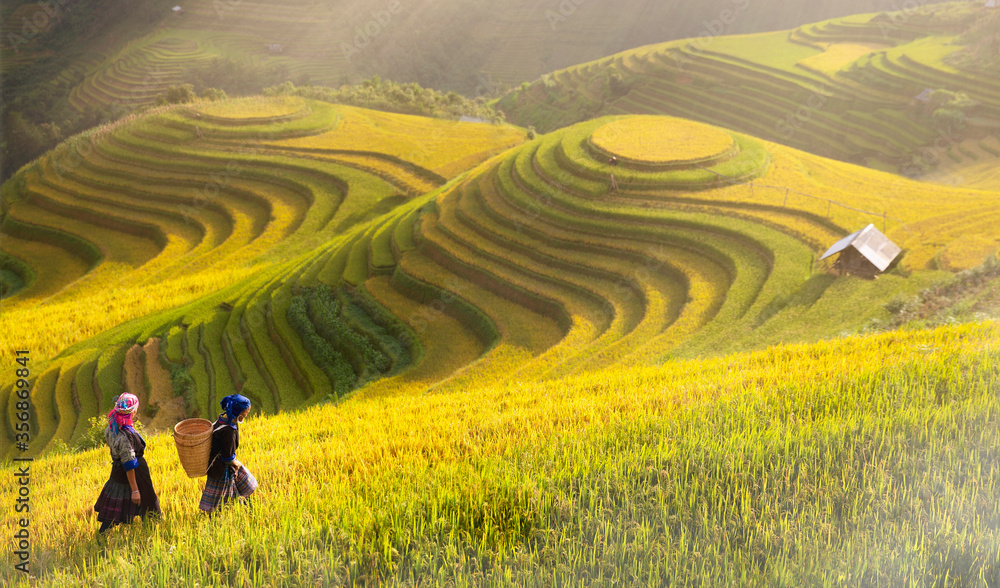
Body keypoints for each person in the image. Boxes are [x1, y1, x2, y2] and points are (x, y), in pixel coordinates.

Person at [94, 393, 161, 533]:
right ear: (134, 411)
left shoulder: (112, 427)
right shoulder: (124, 435)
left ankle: (150, 531)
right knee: (146, 501)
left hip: (119, 471)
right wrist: (135, 490)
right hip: (134, 472)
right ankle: (152, 531)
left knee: (117, 502)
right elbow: (129, 463)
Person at [200, 394, 258, 513]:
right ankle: (217, 515)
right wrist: (236, 463)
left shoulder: (221, 420)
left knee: (236, 489)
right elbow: (227, 457)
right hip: (221, 468)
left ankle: (248, 509)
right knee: (220, 497)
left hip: (215, 465)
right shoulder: (229, 431)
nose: (246, 415)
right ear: (239, 412)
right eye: (246, 413)